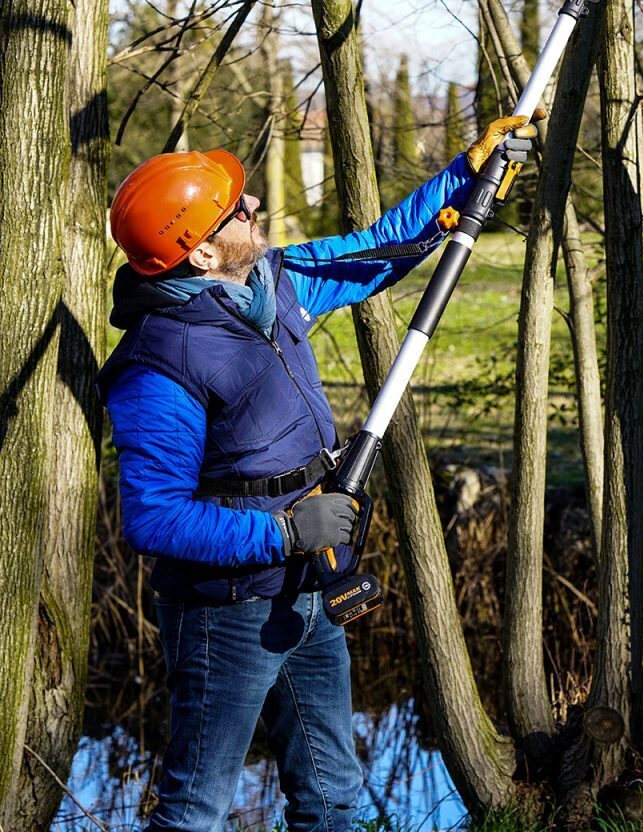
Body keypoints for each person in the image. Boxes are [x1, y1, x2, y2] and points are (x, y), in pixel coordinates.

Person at [97, 115, 537, 832]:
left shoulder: (276, 283)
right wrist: (285, 530)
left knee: (333, 797)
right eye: (234, 211)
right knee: (196, 809)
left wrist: (469, 172)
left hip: (309, 586)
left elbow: (374, 252)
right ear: (202, 251)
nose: (253, 208)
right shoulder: (159, 362)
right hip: (226, 609)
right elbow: (154, 515)